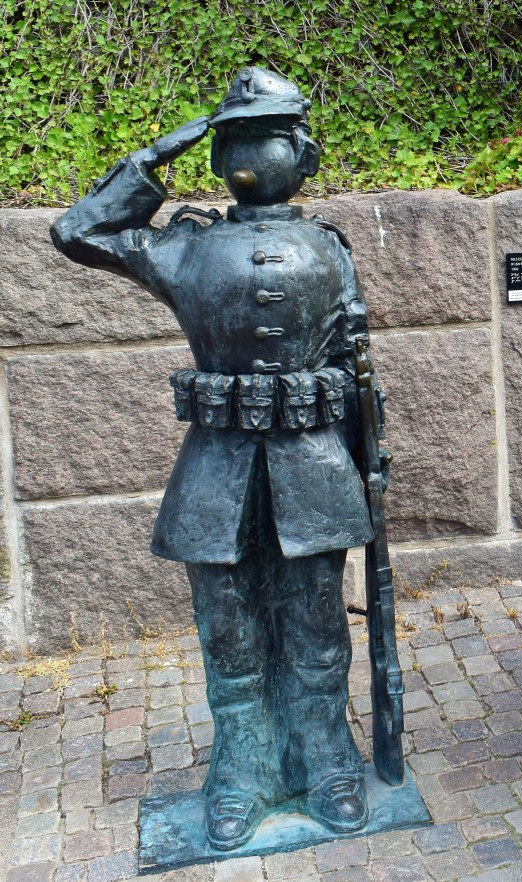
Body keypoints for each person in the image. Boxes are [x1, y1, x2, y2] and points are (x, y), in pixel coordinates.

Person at [51, 67, 376, 850]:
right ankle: (242, 768)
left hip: (312, 462)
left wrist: (367, 465)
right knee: (226, 626)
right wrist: (157, 155)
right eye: (238, 139)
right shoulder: (184, 248)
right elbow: (76, 232)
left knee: (316, 621)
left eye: (270, 137)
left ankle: (327, 759)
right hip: (216, 468)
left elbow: (353, 362)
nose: (254, 154)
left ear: (304, 153)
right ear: (218, 154)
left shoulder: (328, 247)